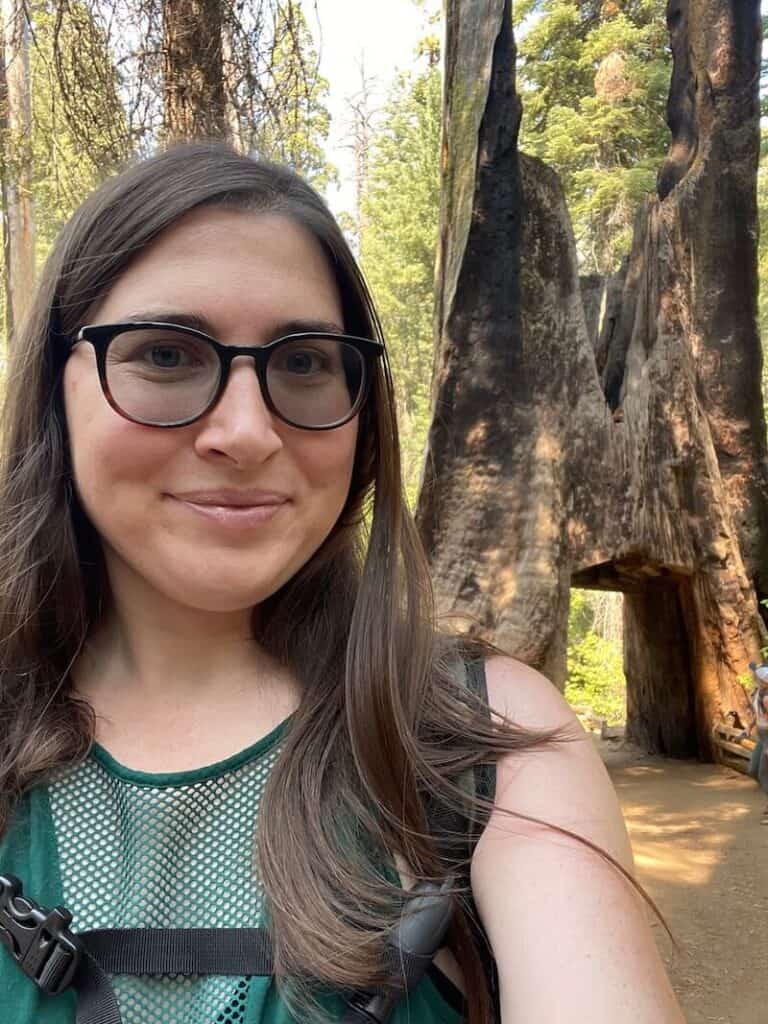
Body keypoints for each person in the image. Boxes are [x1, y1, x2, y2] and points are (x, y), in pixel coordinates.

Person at [0, 142, 686, 1024]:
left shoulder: (486, 747)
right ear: (55, 390)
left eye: (304, 362)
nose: (245, 433)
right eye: (166, 356)